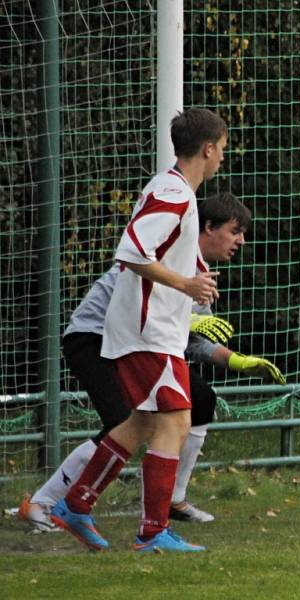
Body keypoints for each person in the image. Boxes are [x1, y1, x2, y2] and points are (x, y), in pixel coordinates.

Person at [18, 193, 285, 533]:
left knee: (199, 399)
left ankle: (171, 500)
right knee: (124, 422)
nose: (241, 240)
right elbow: (129, 304)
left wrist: (239, 361)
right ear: (208, 226)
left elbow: (196, 341)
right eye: (235, 230)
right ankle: (43, 503)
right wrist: (185, 320)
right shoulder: (165, 252)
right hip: (96, 338)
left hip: (142, 346)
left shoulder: (201, 273)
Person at [50, 108, 228, 553]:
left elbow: (160, 250)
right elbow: (130, 251)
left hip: (153, 327)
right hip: (149, 329)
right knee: (177, 421)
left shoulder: (175, 191)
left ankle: (76, 504)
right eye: (222, 149)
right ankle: (152, 533)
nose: (223, 157)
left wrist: (193, 280)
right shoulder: (173, 191)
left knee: (144, 419)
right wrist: (185, 284)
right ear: (207, 149)